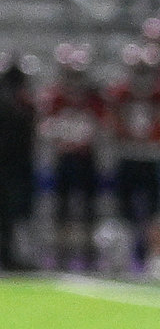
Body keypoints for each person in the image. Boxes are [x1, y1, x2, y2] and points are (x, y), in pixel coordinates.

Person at [104, 40, 160, 272]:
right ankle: (123, 254)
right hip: (127, 155)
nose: (141, 75)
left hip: (152, 157)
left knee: (156, 210)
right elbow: (110, 123)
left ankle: (157, 254)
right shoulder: (120, 93)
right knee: (123, 209)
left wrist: (157, 142)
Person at [38, 42, 104, 270]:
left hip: (86, 156)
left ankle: (89, 252)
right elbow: (45, 126)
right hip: (65, 156)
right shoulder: (54, 96)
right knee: (63, 207)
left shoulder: (93, 97)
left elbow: (101, 124)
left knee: (89, 207)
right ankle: (62, 252)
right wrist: (63, 137)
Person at [0, 62, 34, 270]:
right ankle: (7, 256)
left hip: (13, 168)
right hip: (11, 168)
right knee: (8, 216)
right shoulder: (17, 105)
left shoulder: (20, 104)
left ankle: (7, 255)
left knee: (9, 217)